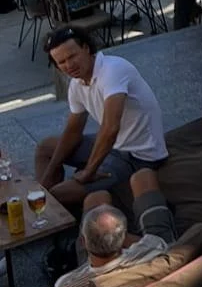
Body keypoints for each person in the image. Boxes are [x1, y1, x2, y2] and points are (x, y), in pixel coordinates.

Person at [35, 29, 170, 211]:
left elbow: (110, 128)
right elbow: (73, 131)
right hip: (114, 148)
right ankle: (45, 205)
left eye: (72, 56)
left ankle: (63, 214)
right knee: (46, 148)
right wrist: (46, 180)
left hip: (139, 156)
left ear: (86, 48)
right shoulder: (77, 84)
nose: (69, 65)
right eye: (62, 62)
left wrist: (89, 172)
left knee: (59, 194)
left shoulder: (112, 70)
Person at [48, 180, 177, 287]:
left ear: (83, 242)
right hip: (136, 270)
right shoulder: (154, 250)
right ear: (125, 239)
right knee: (140, 180)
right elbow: (157, 242)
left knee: (96, 198)